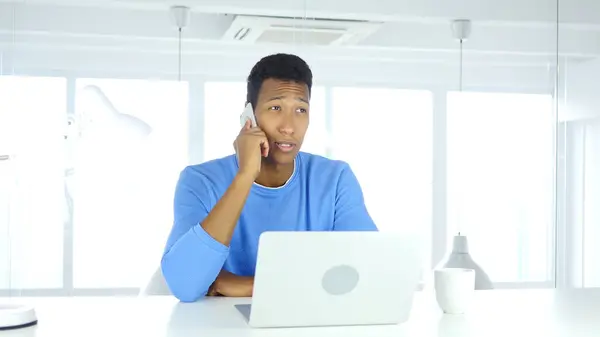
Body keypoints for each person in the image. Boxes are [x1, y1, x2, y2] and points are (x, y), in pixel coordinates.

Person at [161, 53, 377, 302]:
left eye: (300, 109)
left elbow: (366, 273)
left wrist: (240, 284)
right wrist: (245, 175)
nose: (289, 126)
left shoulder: (336, 179)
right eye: (276, 108)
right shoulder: (199, 181)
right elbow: (185, 285)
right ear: (248, 116)